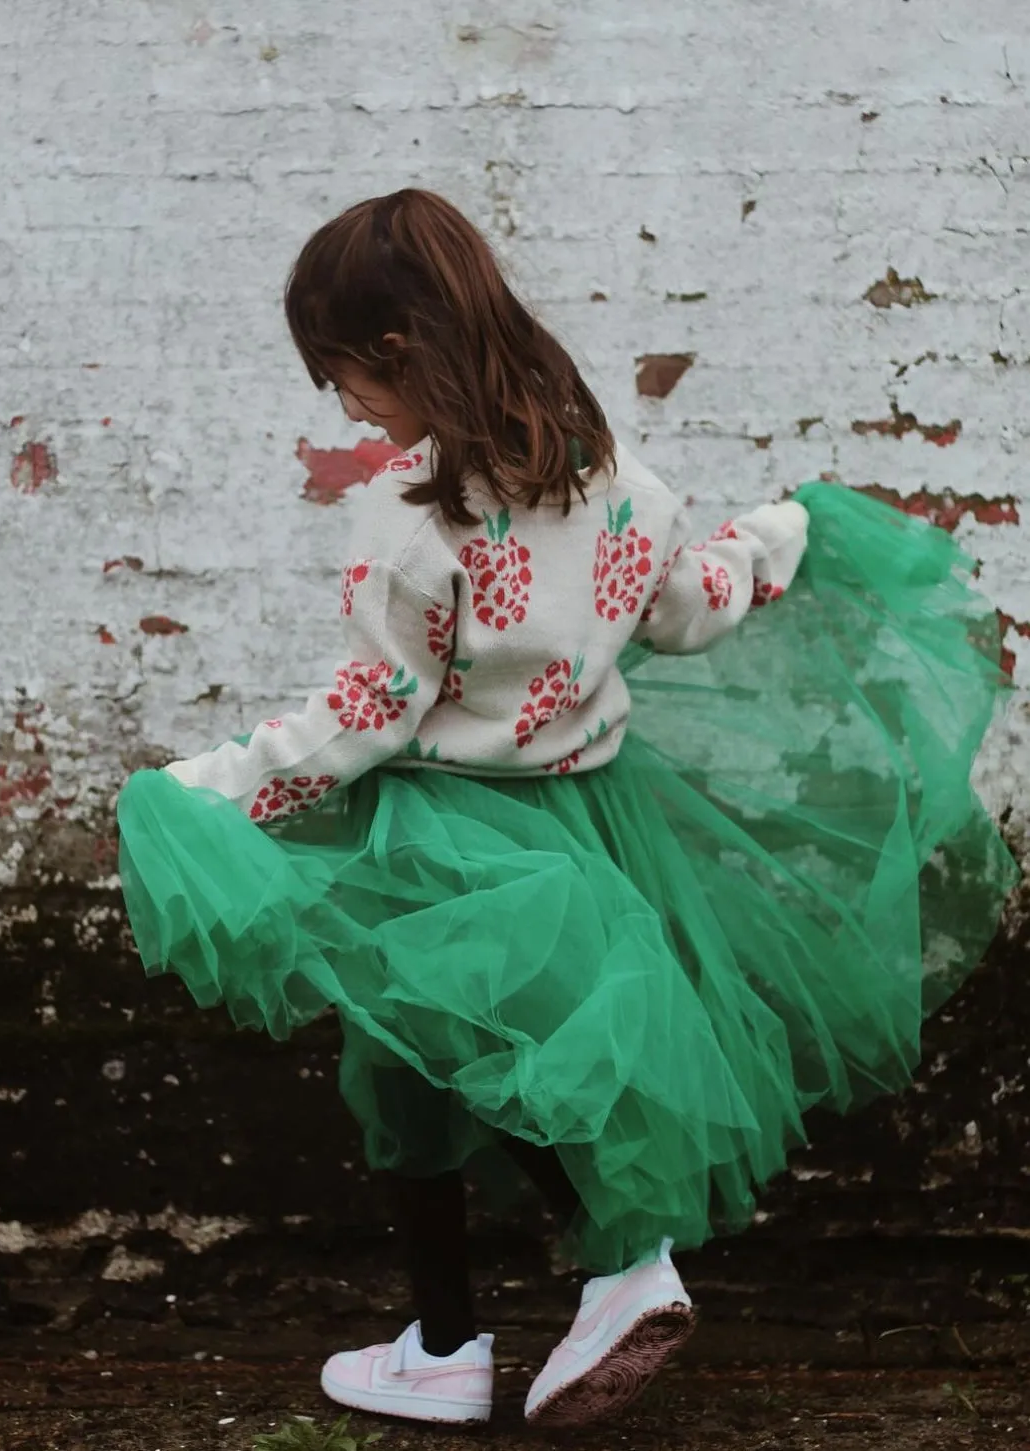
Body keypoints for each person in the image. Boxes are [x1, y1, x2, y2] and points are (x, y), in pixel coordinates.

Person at [117, 189, 1018, 1430]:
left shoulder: (411, 513)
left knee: (477, 1065)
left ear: (396, 353)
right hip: (586, 818)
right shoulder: (613, 478)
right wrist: (781, 536)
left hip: (448, 829)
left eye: (345, 383)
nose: (348, 413)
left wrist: (205, 784)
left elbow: (374, 706)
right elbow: (692, 607)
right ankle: (446, 1341)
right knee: (442, 1063)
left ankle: (618, 1271)